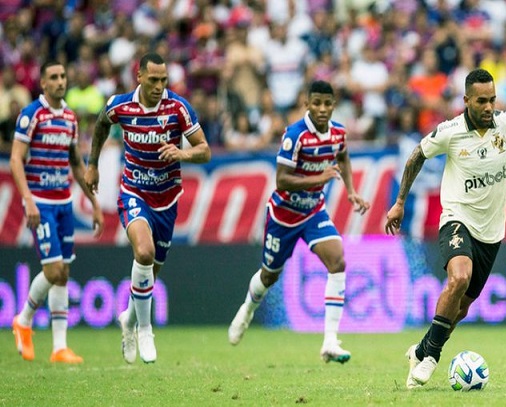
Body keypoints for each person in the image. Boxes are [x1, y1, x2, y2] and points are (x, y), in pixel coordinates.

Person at [385, 68, 506, 389]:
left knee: (461, 308)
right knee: (459, 276)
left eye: (492, 99)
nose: (489, 106)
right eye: (481, 101)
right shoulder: (450, 132)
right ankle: (431, 358)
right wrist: (399, 202)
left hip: (491, 233)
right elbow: (415, 157)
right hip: (457, 219)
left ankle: (421, 350)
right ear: (466, 101)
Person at [228, 80, 370, 363]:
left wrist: (352, 192)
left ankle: (330, 340)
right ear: (307, 104)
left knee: (338, 262)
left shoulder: (338, 133)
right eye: (316, 103)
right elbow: (281, 179)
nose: (322, 109)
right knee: (269, 276)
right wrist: (319, 178)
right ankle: (246, 310)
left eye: (327, 104)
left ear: (333, 105)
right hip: (284, 216)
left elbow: (342, 157)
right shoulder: (295, 135)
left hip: (314, 212)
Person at [83, 52, 211, 364]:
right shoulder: (121, 105)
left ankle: (127, 319)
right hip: (133, 192)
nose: (159, 86)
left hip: (167, 199)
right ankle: (144, 328)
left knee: (151, 272)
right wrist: (92, 164)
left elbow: (204, 151)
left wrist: (183, 155)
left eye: (163, 80)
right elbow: (101, 124)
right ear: (138, 76)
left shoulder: (178, 108)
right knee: (144, 252)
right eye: (153, 79)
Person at [10, 60, 104, 364]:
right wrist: (27, 199)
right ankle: (23, 320)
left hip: (63, 203)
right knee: (52, 270)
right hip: (41, 203)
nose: (61, 81)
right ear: (43, 84)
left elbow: (76, 164)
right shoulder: (31, 115)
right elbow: (15, 159)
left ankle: (59, 347)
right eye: (54, 77)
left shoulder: (69, 117)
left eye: (63, 76)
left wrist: (94, 203)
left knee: (63, 274)